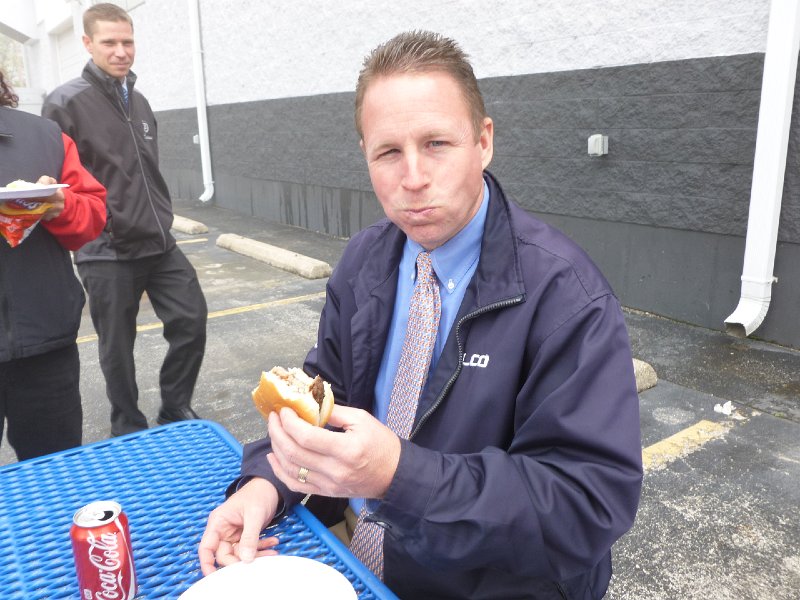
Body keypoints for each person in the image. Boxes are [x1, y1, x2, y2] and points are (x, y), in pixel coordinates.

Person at [199, 31, 643, 599]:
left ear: (483, 142)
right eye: (388, 152)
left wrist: (398, 475)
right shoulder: (365, 260)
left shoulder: (566, 297)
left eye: (436, 143)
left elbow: (585, 503)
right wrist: (267, 482)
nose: (412, 178)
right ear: (365, 154)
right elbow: (324, 391)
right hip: (353, 557)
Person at [42, 3, 208, 437]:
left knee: (191, 319)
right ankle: (128, 428)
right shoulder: (65, 103)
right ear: (87, 43)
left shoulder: (140, 101)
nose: (120, 51)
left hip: (158, 241)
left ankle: (175, 407)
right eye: (109, 42)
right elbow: (56, 180)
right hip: (106, 247)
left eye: (127, 41)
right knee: (118, 348)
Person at [0, 70, 106, 461]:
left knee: (55, 474)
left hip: (46, 344)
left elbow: (92, 218)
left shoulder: (44, 136)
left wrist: (62, 206)